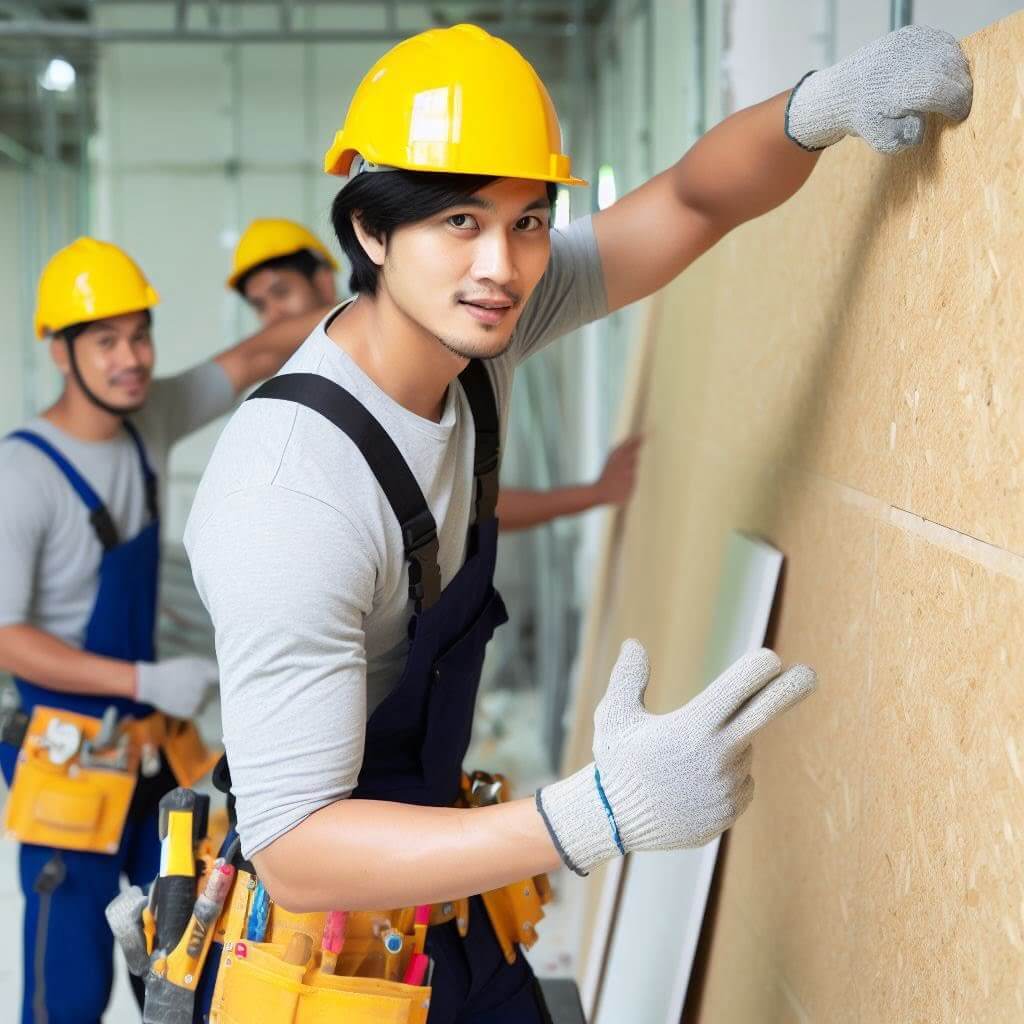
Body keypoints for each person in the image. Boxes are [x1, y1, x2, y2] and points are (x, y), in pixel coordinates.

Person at [180, 23, 970, 1022]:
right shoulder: (290, 500)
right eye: (457, 221)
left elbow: (689, 199)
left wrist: (814, 108)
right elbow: (295, 846)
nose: (502, 265)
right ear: (370, 234)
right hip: (322, 948)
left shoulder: (479, 331)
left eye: (528, 220)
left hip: (437, 899)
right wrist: (594, 812)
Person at [0, 236, 327, 1023]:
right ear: (58, 350)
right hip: (65, 757)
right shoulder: (23, 476)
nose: (131, 358)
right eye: (105, 341)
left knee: (188, 953)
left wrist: (376, 295)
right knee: (71, 978)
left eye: (139, 335)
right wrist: (144, 679)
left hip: (149, 750)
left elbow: (256, 353)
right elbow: (5, 636)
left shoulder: (149, 421)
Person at [229, 215, 645, 530]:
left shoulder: (423, 355)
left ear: (323, 281)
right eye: (261, 305)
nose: (274, 315)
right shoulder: (300, 405)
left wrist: (591, 496)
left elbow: (464, 503)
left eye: (281, 292)